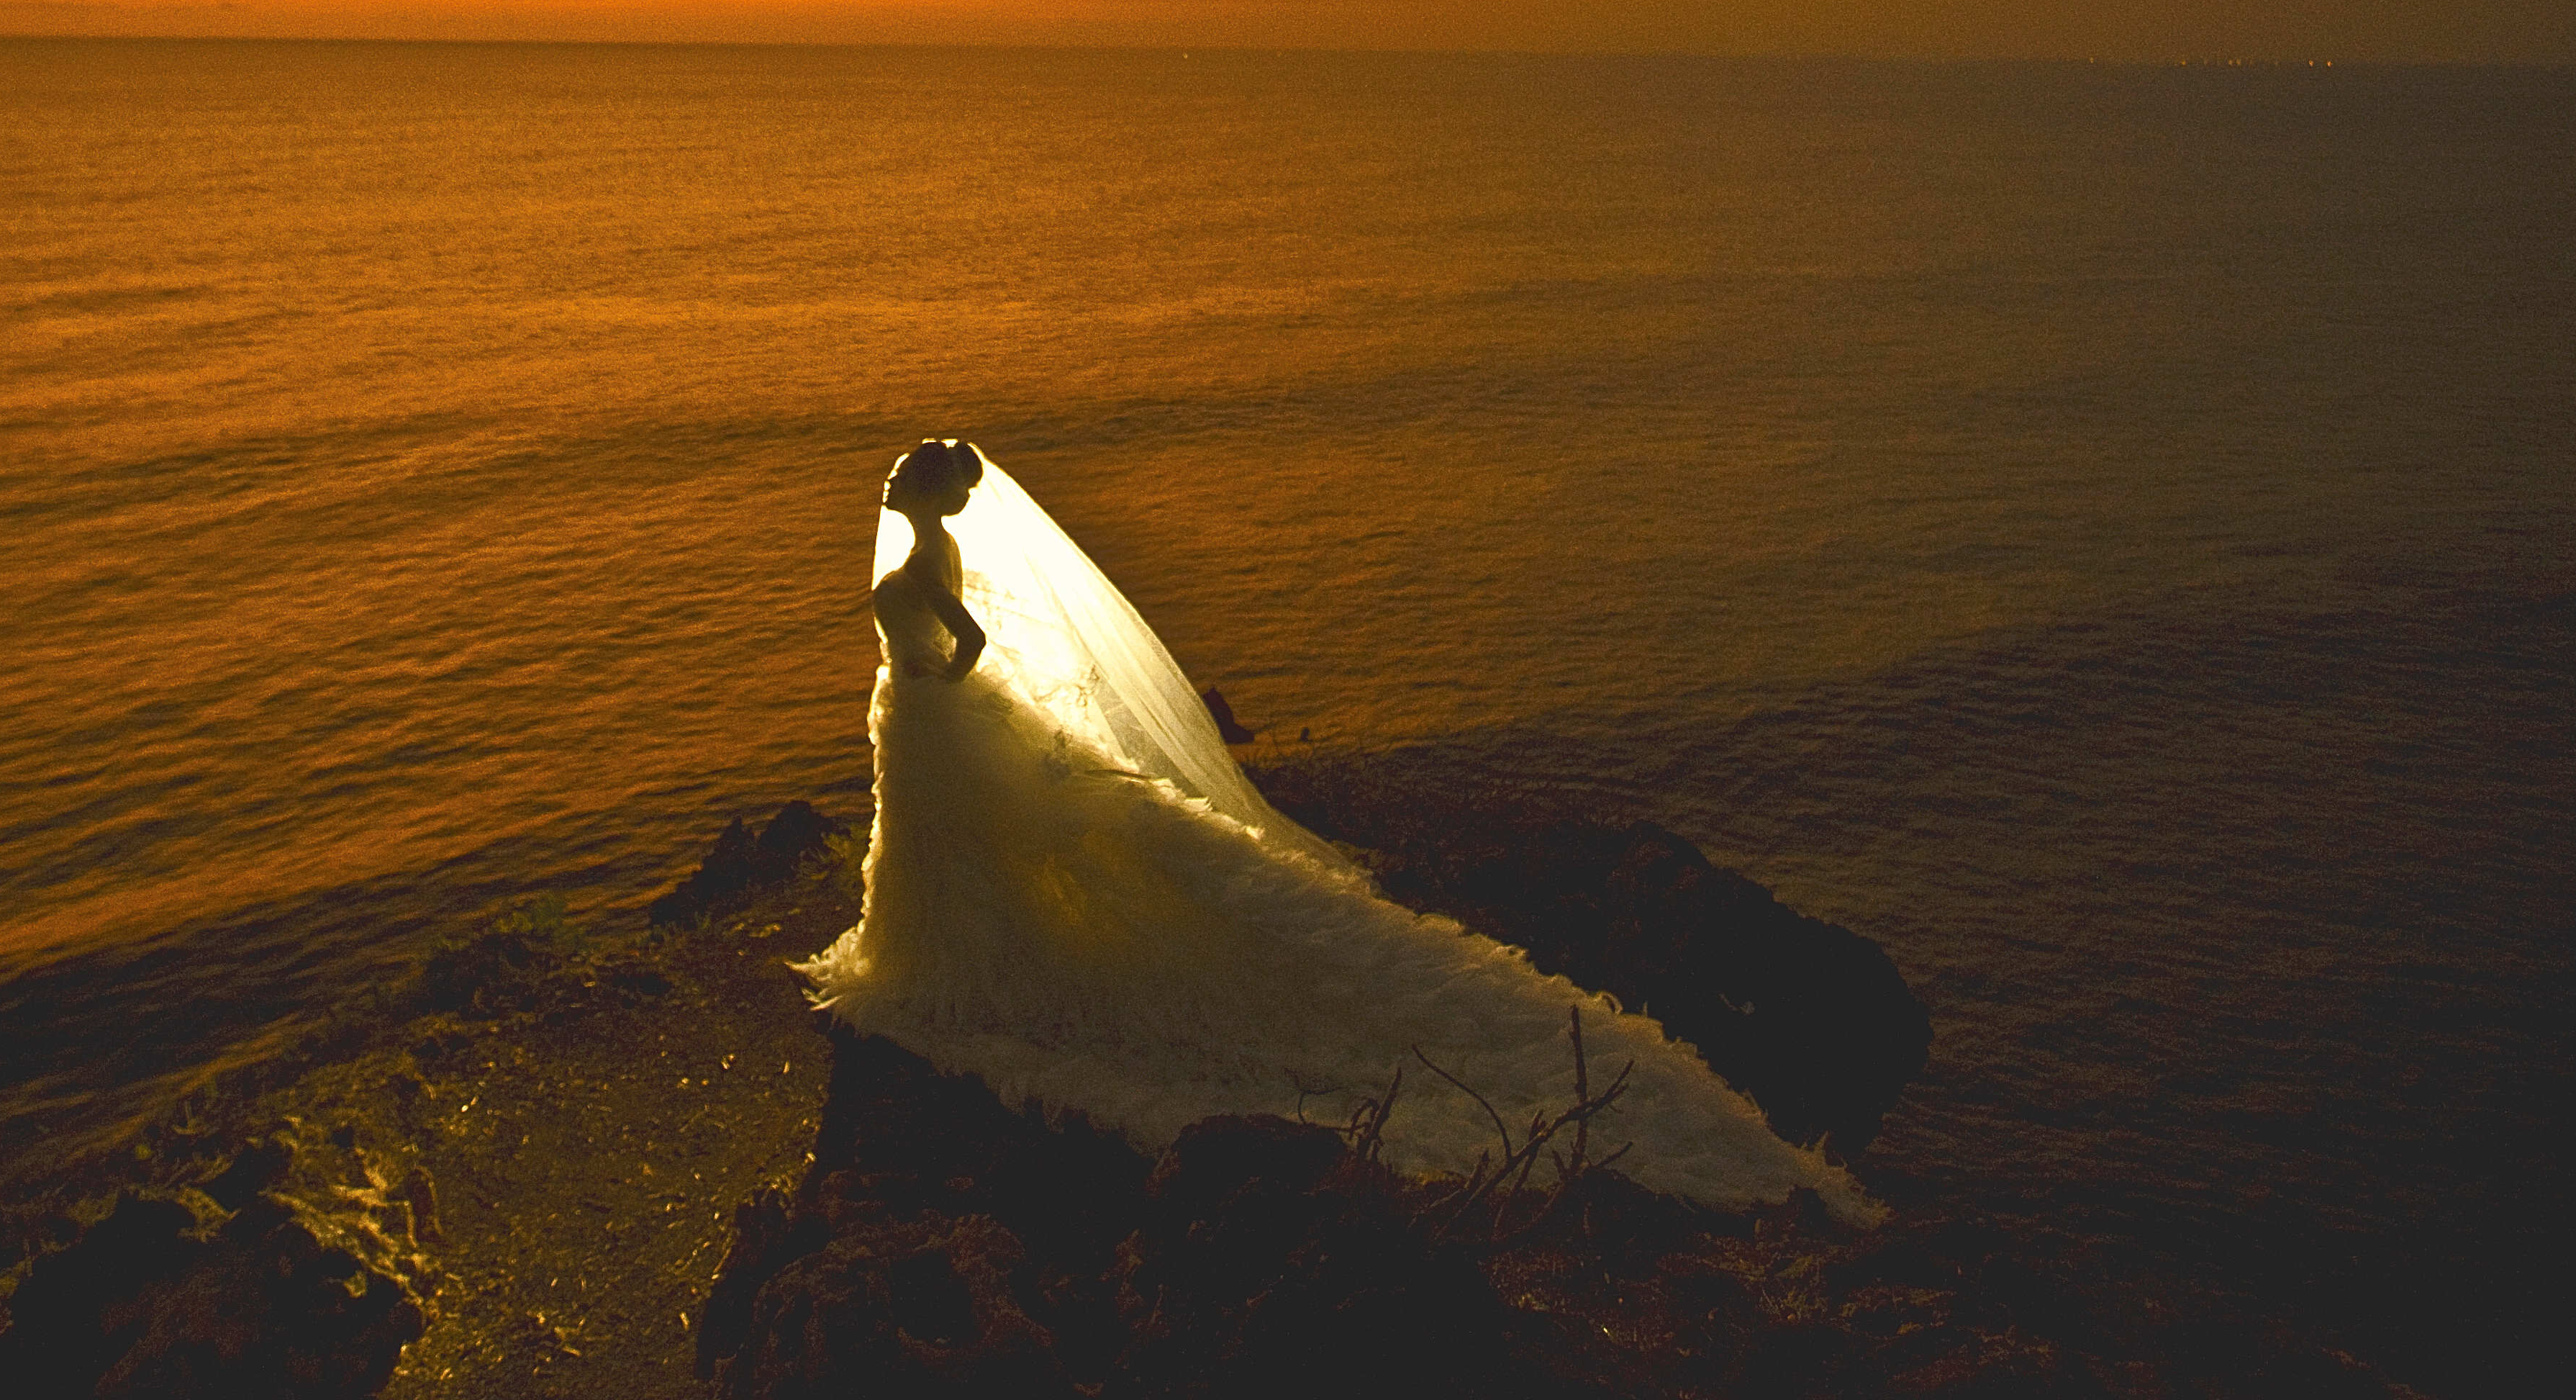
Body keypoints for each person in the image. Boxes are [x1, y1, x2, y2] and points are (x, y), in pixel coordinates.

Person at [801, 438, 1871, 1216]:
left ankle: (958, 963)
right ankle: (969, 946)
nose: (888, 485)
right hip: (933, 716)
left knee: (974, 840)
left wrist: (941, 686)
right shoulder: (927, 550)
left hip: (935, 718)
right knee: (979, 842)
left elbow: (971, 634)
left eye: (900, 479)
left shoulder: (914, 562)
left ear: (927, 493)